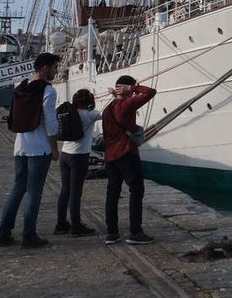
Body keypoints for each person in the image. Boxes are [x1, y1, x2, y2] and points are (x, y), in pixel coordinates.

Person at [0, 52, 61, 249]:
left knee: (17, 189)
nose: (56, 71)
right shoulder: (48, 90)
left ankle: (3, 233)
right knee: (34, 192)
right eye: (54, 67)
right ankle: (29, 234)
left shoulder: (21, 87)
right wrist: (54, 148)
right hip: (39, 148)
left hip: (20, 146)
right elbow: (50, 122)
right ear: (44, 68)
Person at [102, 75, 156, 245]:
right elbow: (150, 92)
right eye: (130, 90)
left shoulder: (107, 109)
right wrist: (132, 89)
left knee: (112, 193)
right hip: (126, 152)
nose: (133, 94)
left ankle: (112, 233)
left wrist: (120, 92)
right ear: (125, 88)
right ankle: (135, 232)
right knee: (136, 191)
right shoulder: (127, 105)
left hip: (110, 155)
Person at [55, 88, 101, 237]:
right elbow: (109, 113)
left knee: (65, 190)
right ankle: (76, 226)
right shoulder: (89, 115)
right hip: (79, 157)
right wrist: (116, 96)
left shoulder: (70, 113)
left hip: (65, 155)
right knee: (76, 192)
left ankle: (61, 224)